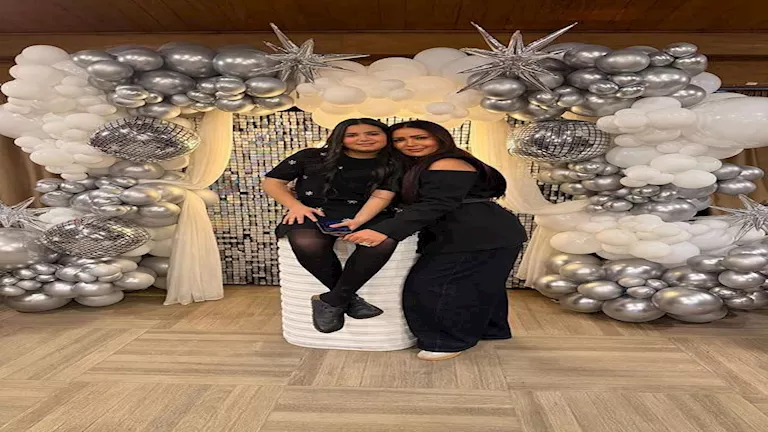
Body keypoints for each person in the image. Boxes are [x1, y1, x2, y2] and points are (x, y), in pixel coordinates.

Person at [344, 120, 527, 361]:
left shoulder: (447, 163)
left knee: (432, 286)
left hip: (477, 234)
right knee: (480, 285)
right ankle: (490, 330)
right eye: (400, 140)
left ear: (439, 138)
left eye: (420, 137)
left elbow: (436, 204)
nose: (409, 144)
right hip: (482, 232)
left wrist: (384, 231)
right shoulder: (426, 164)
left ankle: (446, 342)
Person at [262, 118, 401, 333]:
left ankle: (332, 300)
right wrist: (295, 206)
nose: (363, 139)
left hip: (370, 213)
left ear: (386, 135)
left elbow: (381, 196)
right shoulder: (311, 156)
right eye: (352, 135)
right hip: (315, 211)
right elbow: (272, 182)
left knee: (382, 242)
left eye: (372, 133)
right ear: (338, 137)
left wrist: (358, 221)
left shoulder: (395, 163)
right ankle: (348, 299)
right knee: (306, 242)